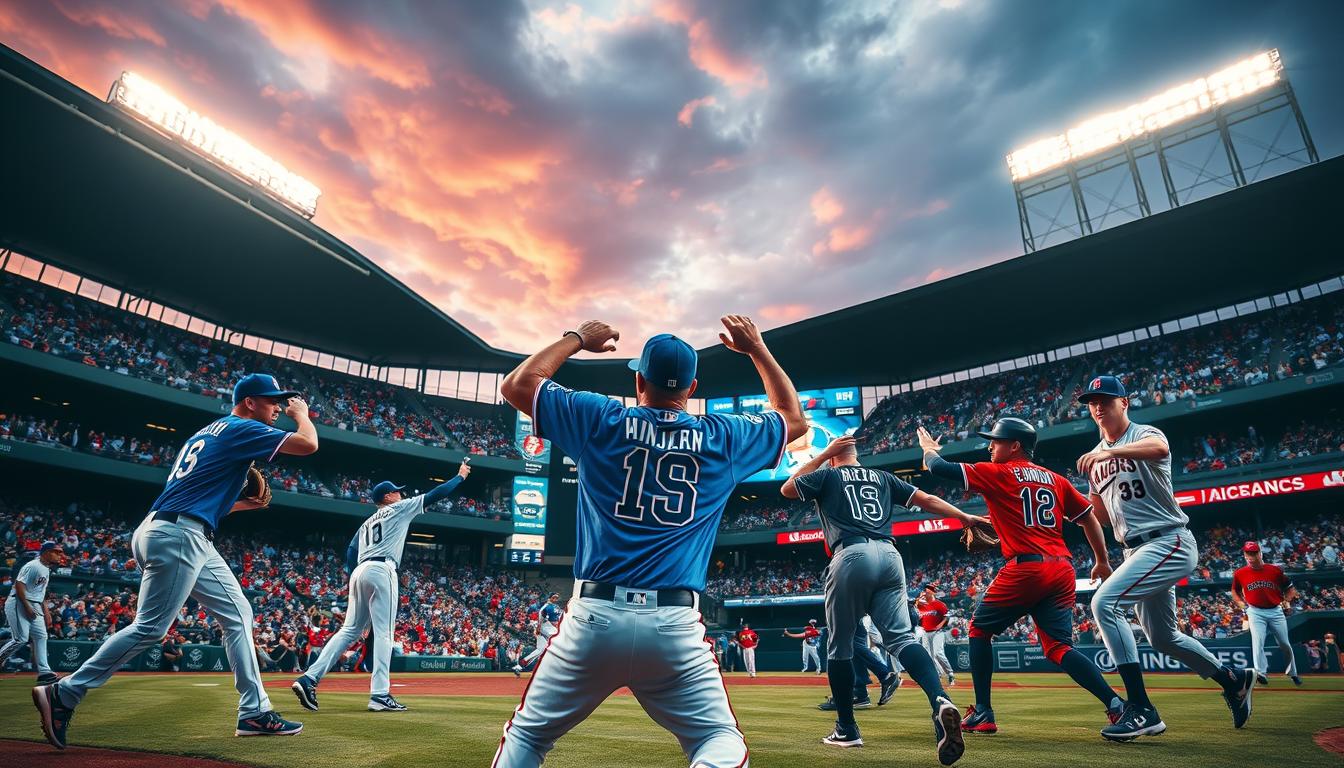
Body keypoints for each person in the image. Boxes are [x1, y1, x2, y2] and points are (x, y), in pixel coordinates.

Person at [492, 315, 807, 767]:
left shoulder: (601, 416)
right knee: (720, 740)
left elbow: (519, 384)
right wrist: (756, 348)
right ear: (692, 387)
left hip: (594, 618)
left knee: (526, 736)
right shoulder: (723, 437)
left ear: (639, 379)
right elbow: (792, 419)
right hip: (674, 624)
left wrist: (577, 338)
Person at [33, 373, 318, 748]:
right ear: (249, 402)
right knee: (150, 629)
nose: (279, 406)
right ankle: (66, 692)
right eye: (272, 401)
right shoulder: (240, 427)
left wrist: (243, 503)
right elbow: (308, 445)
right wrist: (303, 414)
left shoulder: (209, 432)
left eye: (283, 402)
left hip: (176, 529)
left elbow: (200, 500)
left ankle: (253, 712)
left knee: (239, 614)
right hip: (179, 535)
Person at [919, 419, 1125, 739]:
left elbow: (939, 468)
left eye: (997, 441)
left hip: (1026, 568)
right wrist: (1101, 561)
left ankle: (984, 712)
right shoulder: (1056, 479)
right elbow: (1089, 520)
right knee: (1058, 647)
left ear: (1015, 445)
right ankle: (1116, 703)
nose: (990, 447)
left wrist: (929, 450)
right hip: (1062, 569)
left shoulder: (998, 472)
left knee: (978, 631)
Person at [1076, 375, 1255, 740]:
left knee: (1105, 604)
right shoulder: (1095, 462)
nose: (1098, 406)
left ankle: (1141, 708)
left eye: (1106, 400)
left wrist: (1108, 452)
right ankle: (1233, 680)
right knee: (1162, 637)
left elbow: (1158, 450)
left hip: (1168, 540)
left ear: (1124, 403)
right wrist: (1083, 520)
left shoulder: (1143, 433)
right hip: (1133, 549)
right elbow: (1103, 516)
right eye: (1092, 401)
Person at [292, 460, 470, 712]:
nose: (401, 493)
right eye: (396, 490)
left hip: (361, 570)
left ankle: (308, 678)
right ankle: (379, 694)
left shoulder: (366, 523)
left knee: (349, 630)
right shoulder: (399, 508)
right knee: (384, 632)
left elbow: (351, 550)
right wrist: (460, 476)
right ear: (387, 496)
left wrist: (357, 576)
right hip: (382, 568)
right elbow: (435, 494)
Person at [1232, 541, 1301, 686]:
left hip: (1275, 610)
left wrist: (1286, 600)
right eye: (1247, 553)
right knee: (1258, 643)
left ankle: (1293, 673)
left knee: (1284, 644)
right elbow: (1235, 591)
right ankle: (1261, 673)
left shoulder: (1274, 570)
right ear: (1244, 555)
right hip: (1255, 611)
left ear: (1260, 553)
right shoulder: (1240, 573)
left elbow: (1289, 587)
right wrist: (1240, 603)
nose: (1250, 556)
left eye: (1253, 553)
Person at [0, 541, 64, 684]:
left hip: (34, 603)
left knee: (41, 636)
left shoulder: (46, 569)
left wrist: (46, 612)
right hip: (19, 602)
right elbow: (19, 585)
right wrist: (27, 607)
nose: (60, 555)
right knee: (20, 638)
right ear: (46, 552)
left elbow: (40, 592)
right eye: (56, 552)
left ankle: (44, 672)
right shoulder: (33, 565)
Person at [513, 593, 563, 677]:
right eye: (554, 597)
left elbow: (560, 617)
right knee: (559, 646)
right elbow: (541, 618)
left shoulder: (556, 607)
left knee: (540, 650)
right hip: (546, 630)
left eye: (556, 598)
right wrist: (538, 628)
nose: (555, 599)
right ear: (549, 598)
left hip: (551, 630)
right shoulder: (545, 607)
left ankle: (520, 666)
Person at [916, 585, 955, 686]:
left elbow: (947, 616)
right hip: (925, 632)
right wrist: (919, 598)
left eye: (928, 592)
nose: (926, 593)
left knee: (938, 653)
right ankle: (937, 675)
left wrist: (940, 624)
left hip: (937, 632)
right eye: (925, 592)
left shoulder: (939, 604)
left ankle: (950, 673)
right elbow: (915, 606)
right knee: (928, 656)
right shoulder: (922, 605)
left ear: (933, 593)